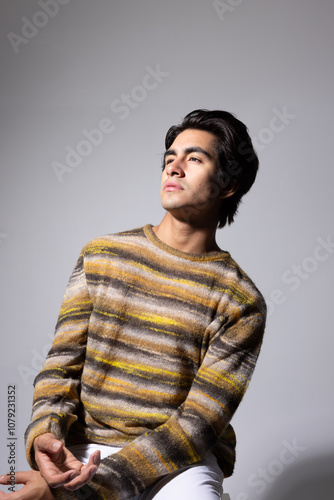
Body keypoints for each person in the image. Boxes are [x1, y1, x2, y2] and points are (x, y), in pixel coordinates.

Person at [0, 109, 266, 499]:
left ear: (228, 185)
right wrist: (45, 434)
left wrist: (76, 494)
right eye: (169, 158)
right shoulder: (103, 255)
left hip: (179, 464)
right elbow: (61, 367)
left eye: (194, 159)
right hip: (86, 445)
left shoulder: (241, 301)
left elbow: (195, 427)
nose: (173, 168)